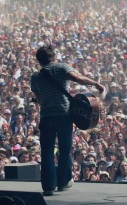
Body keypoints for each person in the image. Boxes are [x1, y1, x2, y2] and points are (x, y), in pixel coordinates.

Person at [31, 45, 104, 196]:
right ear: (54, 56)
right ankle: (63, 182)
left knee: (46, 152)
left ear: (39, 61)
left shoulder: (35, 77)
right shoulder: (61, 68)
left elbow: (39, 100)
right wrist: (95, 83)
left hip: (46, 117)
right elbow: (78, 78)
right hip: (64, 115)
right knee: (64, 150)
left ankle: (48, 186)